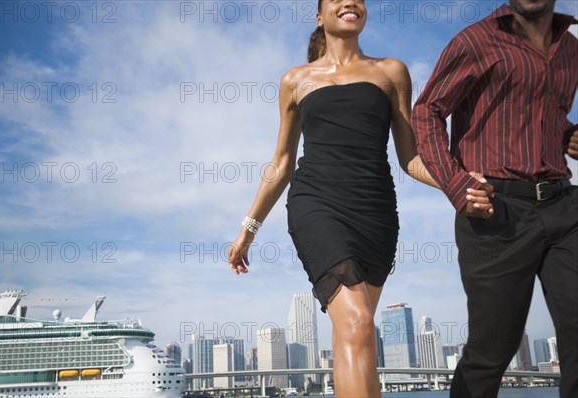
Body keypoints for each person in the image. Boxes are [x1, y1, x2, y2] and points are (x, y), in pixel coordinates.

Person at [227, 1, 492, 397]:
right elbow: (280, 163)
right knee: (356, 324)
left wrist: (456, 181)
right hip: (316, 202)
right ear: (320, 16)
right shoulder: (295, 81)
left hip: (375, 210)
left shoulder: (391, 72)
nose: (350, 1)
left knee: (358, 333)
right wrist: (248, 230)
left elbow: (411, 158)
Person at [412, 1, 578, 397]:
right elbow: (427, 112)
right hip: (495, 210)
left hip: (564, 205)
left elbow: (540, 115)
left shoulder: (570, 48)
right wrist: (457, 187)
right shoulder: (476, 40)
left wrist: (567, 134)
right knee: (493, 348)